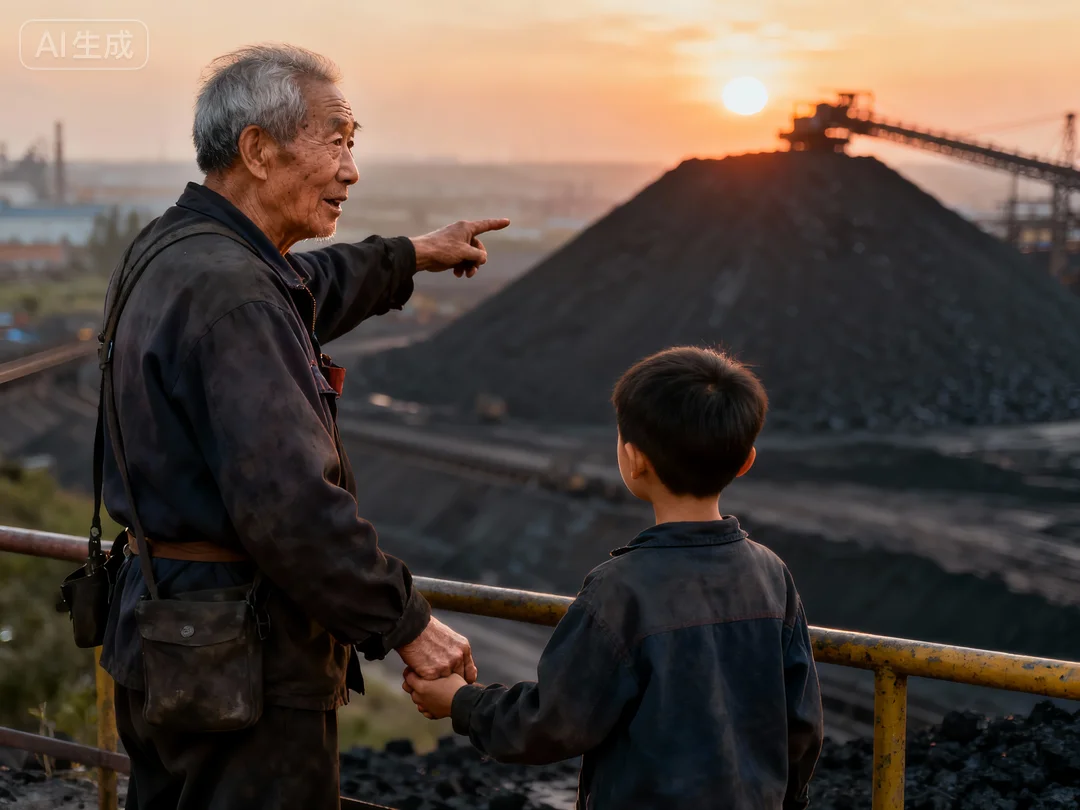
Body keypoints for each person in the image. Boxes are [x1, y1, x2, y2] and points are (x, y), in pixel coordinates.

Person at [98, 44, 508, 809]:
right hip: (243, 664)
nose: (352, 169)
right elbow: (292, 506)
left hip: (165, 636)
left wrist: (412, 255)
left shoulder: (177, 249)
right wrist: (409, 624)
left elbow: (305, 285)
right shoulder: (237, 296)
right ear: (258, 149)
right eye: (338, 140)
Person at [405, 346, 824, 809]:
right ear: (747, 460)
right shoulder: (772, 575)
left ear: (633, 458)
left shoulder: (621, 587)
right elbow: (802, 724)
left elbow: (555, 722)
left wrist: (462, 703)